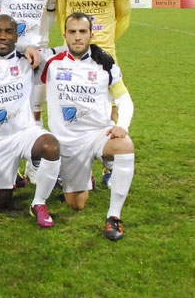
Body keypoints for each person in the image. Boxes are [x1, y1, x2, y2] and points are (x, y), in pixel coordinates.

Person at [41, 12, 135, 241]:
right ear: (64, 36)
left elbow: (124, 100)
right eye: (72, 32)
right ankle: (84, 177)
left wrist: (122, 125)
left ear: (91, 35)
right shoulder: (51, 63)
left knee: (124, 146)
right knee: (76, 204)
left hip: (97, 134)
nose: (77, 37)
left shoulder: (104, 63)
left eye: (83, 32)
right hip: (68, 142)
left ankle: (114, 217)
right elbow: (24, 55)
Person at [0, 15, 61, 227]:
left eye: (9, 32)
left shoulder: (28, 61)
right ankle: (12, 174)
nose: (3, 36)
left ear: (16, 37)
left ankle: (38, 203)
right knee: (0, 203)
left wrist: (98, 53)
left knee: (51, 146)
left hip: (25, 133)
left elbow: (61, 53)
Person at [0, 0, 57, 183]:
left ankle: (33, 166)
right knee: (9, 111)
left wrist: (41, 41)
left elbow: (50, 15)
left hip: (37, 57)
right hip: (9, 56)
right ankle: (10, 166)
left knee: (35, 112)